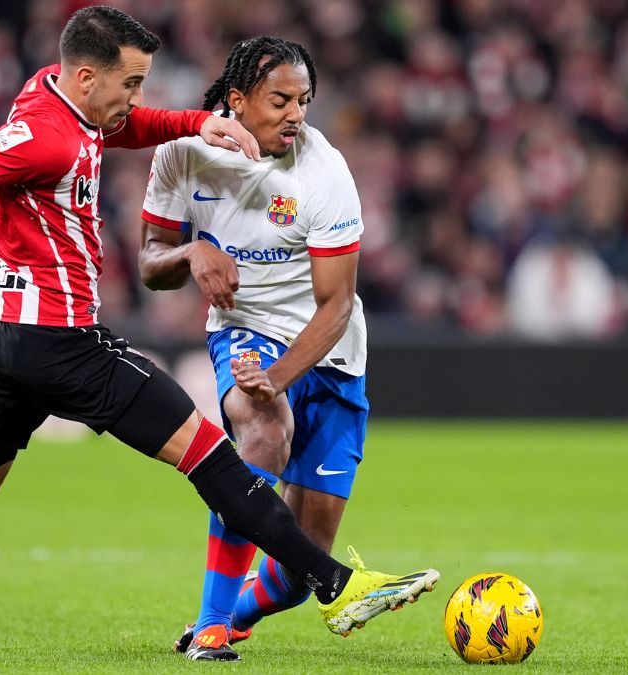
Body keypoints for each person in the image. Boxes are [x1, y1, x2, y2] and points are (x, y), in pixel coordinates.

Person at [0, 7, 435, 658]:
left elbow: (130, 128)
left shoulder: (57, 99)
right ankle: (336, 587)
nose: (136, 100)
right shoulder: (43, 139)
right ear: (87, 78)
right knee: (212, 455)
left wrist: (196, 122)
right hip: (58, 342)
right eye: (130, 84)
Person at [138, 36, 438, 661]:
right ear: (238, 99)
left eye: (304, 100)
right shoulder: (183, 153)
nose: (296, 114)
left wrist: (278, 376)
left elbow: (336, 306)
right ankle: (211, 627)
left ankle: (232, 617)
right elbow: (150, 263)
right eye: (281, 101)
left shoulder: (323, 173)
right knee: (264, 432)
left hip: (329, 352)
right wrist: (192, 251)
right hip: (244, 326)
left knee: (301, 567)